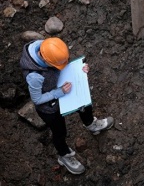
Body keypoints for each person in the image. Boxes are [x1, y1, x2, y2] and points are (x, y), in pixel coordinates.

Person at [20, 37, 114, 175]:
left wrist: (79, 70)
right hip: (49, 107)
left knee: (83, 104)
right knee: (59, 132)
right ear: (46, 62)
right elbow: (37, 99)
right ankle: (64, 156)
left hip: (61, 88)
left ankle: (91, 124)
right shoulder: (34, 76)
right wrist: (59, 92)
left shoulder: (47, 47)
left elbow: (62, 65)